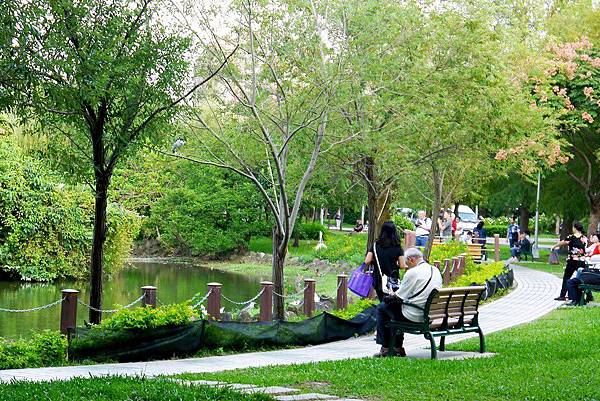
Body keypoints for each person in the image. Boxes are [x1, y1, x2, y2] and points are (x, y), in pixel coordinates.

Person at [374, 247, 443, 357]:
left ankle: (386, 347)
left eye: (407, 263)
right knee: (393, 310)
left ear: (411, 259)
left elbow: (398, 297)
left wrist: (390, 294)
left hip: (415, 315)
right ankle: (398, 347)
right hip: (430, 314)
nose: (406, 266)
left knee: (382, 308)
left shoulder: (413, 272)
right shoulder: (435, 270)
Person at [364, 221, 405, 301]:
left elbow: (367, 261)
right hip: (393, 279)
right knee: (391, 302)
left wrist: (375, 261)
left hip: (379, 278)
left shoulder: (376, 245)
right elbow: (402, 265)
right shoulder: (397, 247)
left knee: (382, 300)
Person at [552, 221, 587, 301]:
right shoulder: (584, 238)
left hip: (572, 261)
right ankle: (587, 295)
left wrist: (554, 246)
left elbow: (562, 242)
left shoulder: (571, 237)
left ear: (575, 228)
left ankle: (562, 295)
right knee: (582, 278)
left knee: (566, 277)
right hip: (582, 261)